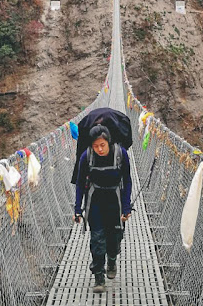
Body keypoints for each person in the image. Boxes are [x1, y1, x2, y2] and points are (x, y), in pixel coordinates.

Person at [74, 124, 132, 294]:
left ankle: (112, 259)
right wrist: (77, 208)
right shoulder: (87, 156)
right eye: (95, 145)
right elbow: (79, 183)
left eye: (102, 145)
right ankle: (99, 277)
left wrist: (126, 206)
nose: (99, 149)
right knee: (97, 240)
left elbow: (127, 180)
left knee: (115, 238)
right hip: (96, 201)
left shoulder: (121, 154)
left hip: (115, 200)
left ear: (109, 142)